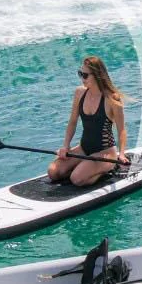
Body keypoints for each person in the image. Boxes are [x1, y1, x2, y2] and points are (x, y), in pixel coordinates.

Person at [48, 55, 130, 186]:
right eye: (80, 73)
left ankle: (106, 169)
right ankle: (85, 166)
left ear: (97, 75)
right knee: (53, 172)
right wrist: (65, 146)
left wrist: (122, 154)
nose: (82, 78)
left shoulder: (112, 99)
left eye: (85, 75)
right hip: (83, 149)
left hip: (105, 153)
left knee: (77, 179)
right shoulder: (79, 93)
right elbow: (73, 121)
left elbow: (122, 130)